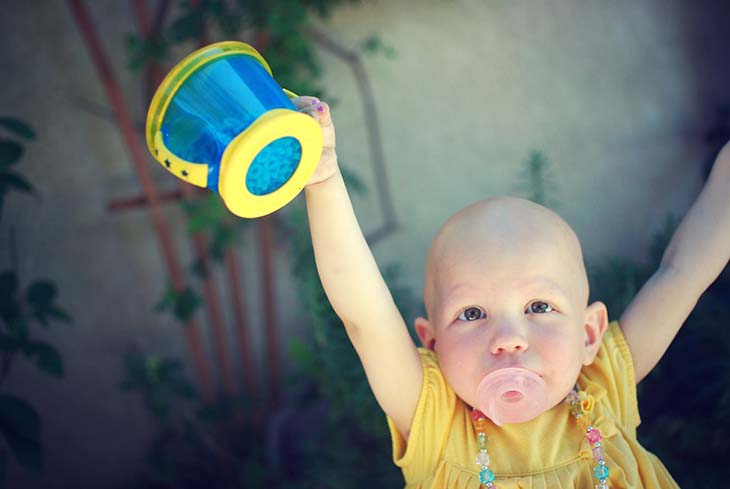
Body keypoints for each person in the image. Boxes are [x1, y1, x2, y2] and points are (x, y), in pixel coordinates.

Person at [292, 95, 730, 488]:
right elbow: (365, 320)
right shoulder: (437, 422)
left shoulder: (602, 386)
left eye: (539, 306)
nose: (508, 338)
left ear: (589, 333)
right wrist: (324, 181)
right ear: (431, 343)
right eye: (471, 313)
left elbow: (683, 272)